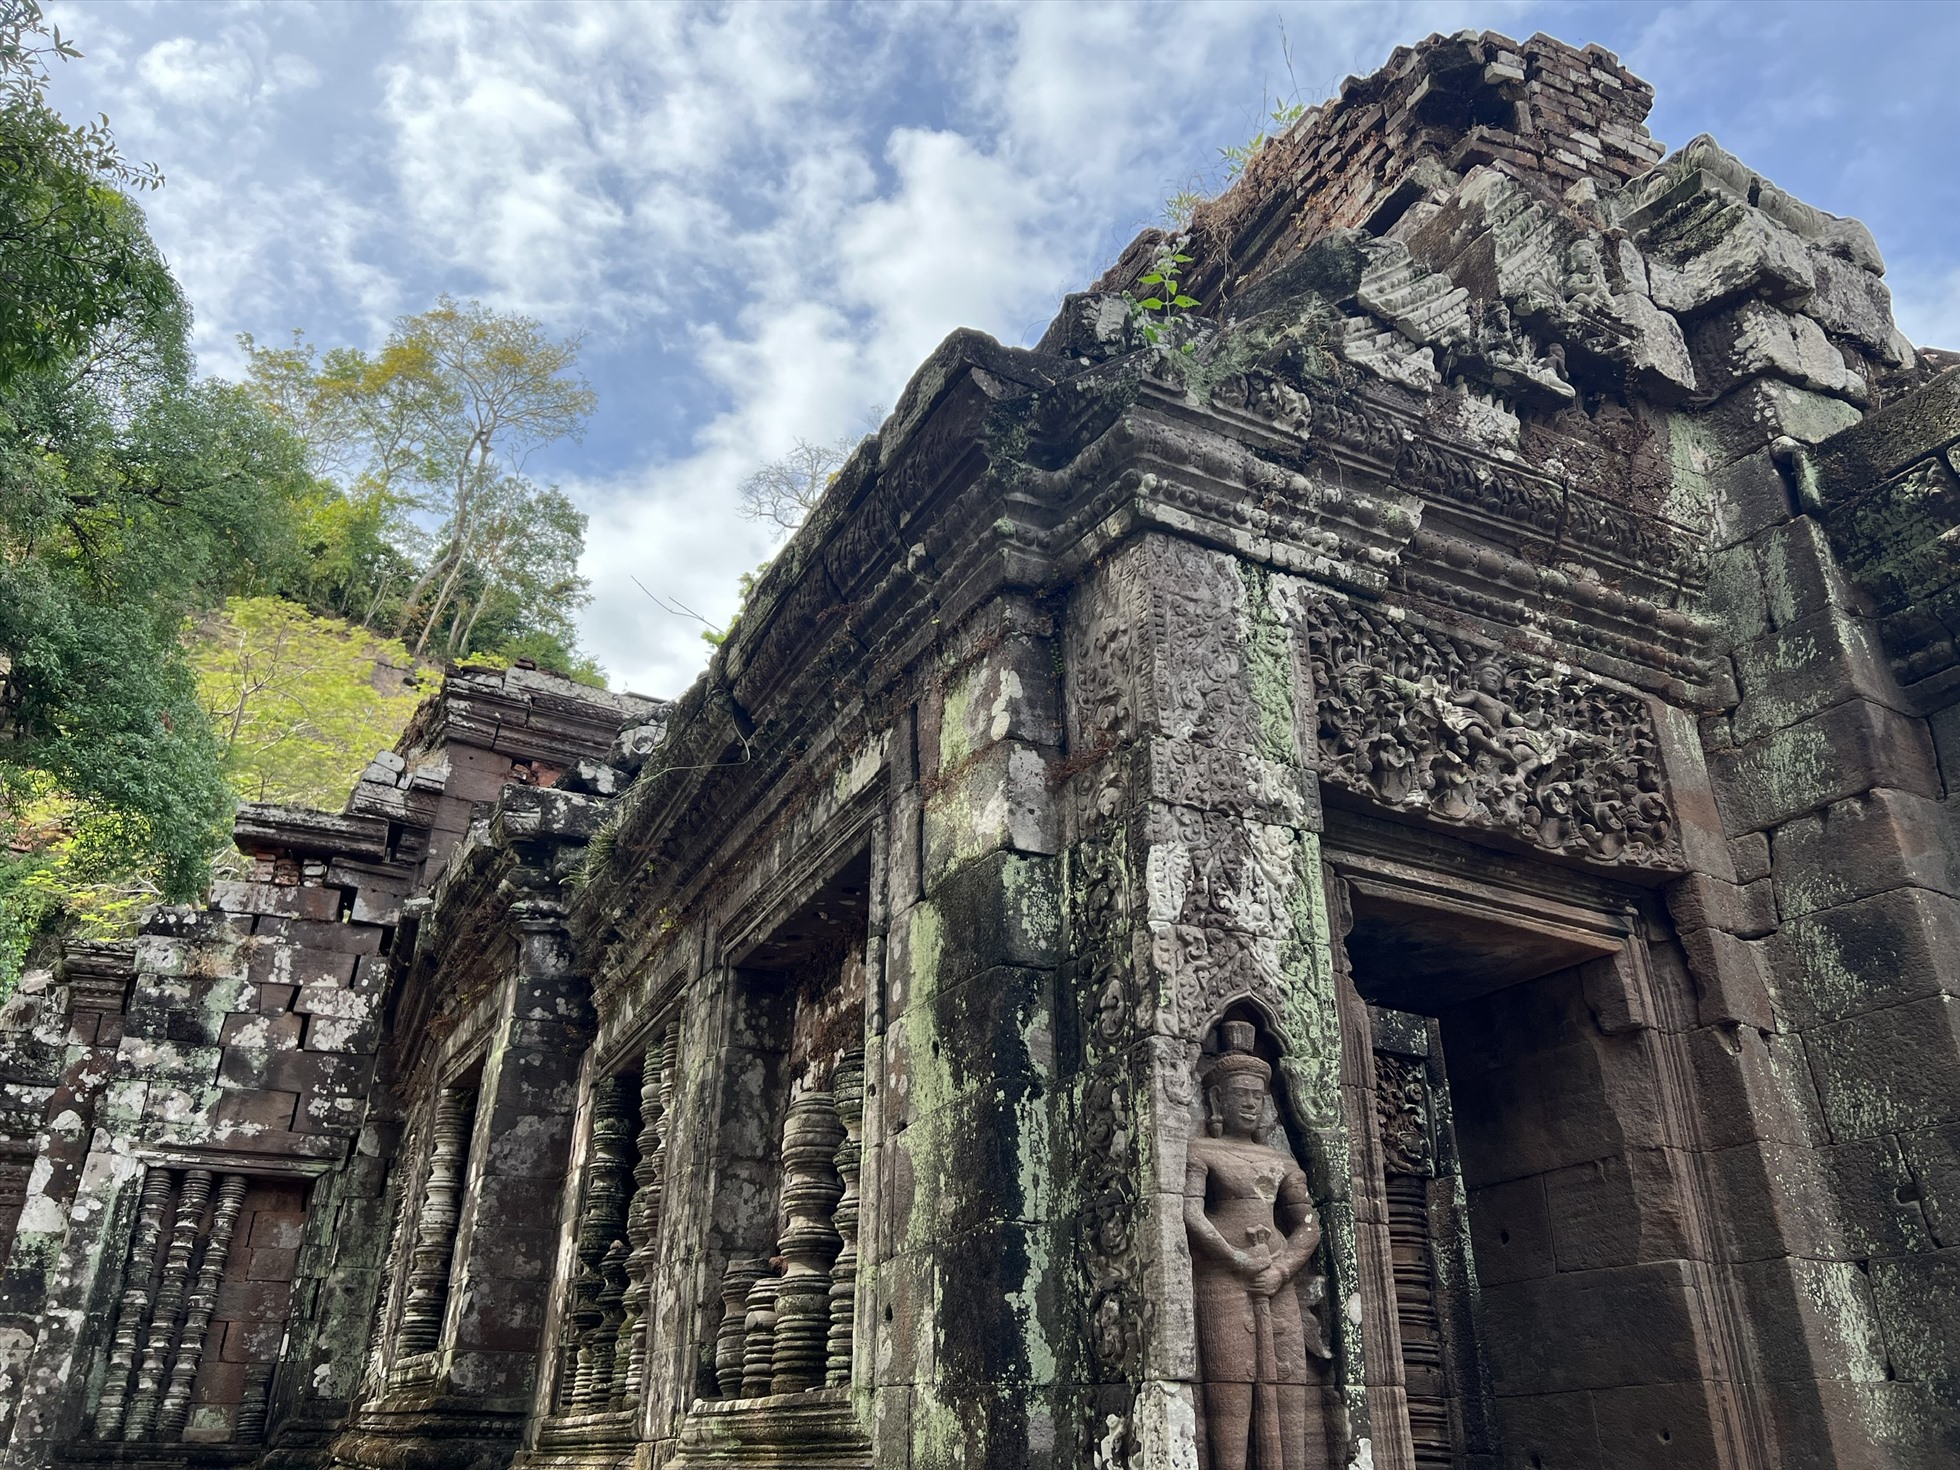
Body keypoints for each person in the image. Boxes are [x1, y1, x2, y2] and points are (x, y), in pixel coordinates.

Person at [1184, 1022, 1324, 1470]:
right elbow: (1190, 1214)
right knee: (1231, 1389)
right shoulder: (1201, 1150)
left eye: (1257, 1096)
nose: (1249, 1102)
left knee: (1287, 1387)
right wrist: (1239, 1260)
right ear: (1217, 1099)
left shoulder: (1280, 1160)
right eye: (1240, 1093)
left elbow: (1308, 1225)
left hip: (1276, 1281)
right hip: (1223, 1280)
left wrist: (1281, 1270)